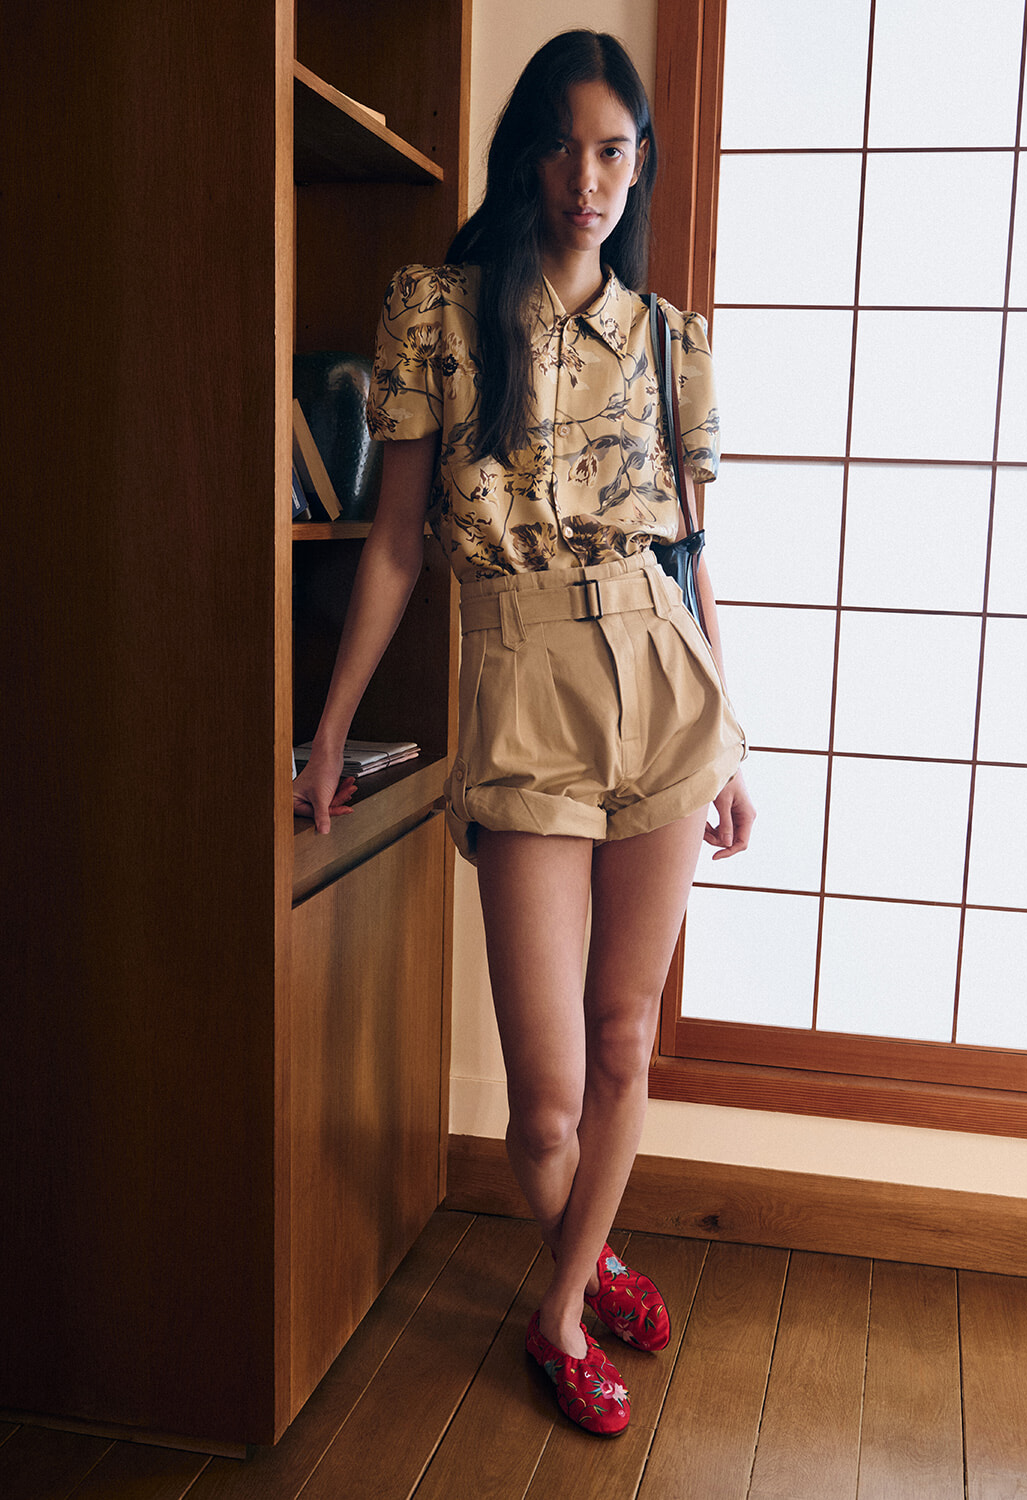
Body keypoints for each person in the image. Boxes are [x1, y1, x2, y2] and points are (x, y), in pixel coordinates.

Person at [292, 28, 754, 1437]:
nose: (588, 176)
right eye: (562, 144)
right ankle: (589, 1253)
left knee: (627, 1043)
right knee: (548, 1103)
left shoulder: (672, 343)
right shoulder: (439, 309)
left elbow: (690, 557)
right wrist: (329, 735)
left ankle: (560, 1311)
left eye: (615, 149)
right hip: (523, 680)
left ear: (640, 165)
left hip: (664, 690)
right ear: (523, 156)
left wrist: (738, 743)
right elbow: (391, 548)